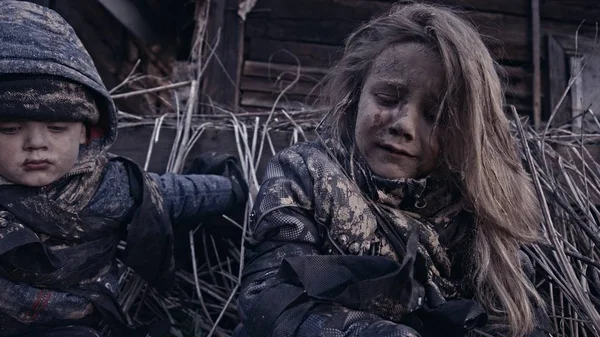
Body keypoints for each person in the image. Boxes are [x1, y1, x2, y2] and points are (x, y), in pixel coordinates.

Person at [237, 3, 552, 337]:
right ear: (356, 95)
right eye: (387, 98)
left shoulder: (479, 217)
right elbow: (268, 297)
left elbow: (520, 321)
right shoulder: (304, 175)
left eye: (435, 116)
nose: (404, 124)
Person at [0, 2, 247, 337]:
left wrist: (234, 188)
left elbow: (178, 194)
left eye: (57, 128)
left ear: (88, 131)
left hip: (83, 324)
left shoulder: (110, 185)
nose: (36, 143)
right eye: (11, 128)